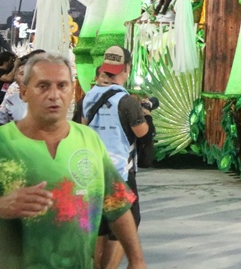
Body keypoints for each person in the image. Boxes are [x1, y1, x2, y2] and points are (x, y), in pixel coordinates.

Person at [0, 53, 145, 269]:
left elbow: (117, 204)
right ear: (24, 92)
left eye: (62, 86)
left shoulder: (89, 141)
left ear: (71, 92)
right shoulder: (4, 144)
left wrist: (136, 259)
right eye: (43, 86)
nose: (54, 95)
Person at [81, 46, 150, 269]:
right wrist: (147, 115)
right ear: (126, 69)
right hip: (120, 172)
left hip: (92, 171)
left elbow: (82, 127)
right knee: (125, 222)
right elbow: (141, 133)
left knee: (99, 224)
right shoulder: (127, 101)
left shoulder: (88, 96)